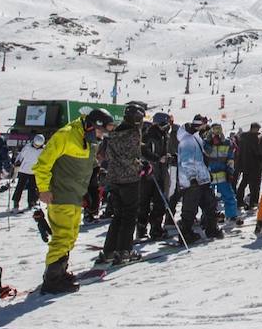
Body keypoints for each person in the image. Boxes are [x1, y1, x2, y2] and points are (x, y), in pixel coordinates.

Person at [34, 108, 115, 294]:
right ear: (91, 126)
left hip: (76, 195)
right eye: (100, 132)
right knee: (62, 236)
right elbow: (43, 163)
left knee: (70, 236)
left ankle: (59, 271)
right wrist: (43, 189)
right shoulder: (66, 135)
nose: (101, 136)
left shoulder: (90, 141)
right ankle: (52, 280)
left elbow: (89, 167)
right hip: (61, 194)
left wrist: (90, 192)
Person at [96, 101, 148, 266]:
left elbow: (108, 155)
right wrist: (142, 166)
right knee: (129, 215)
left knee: (118, 215)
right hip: (129, 179)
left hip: (114, 178)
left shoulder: (115, 132)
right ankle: (124, 250)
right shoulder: (133, 133)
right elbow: (130, 157)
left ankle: (109, 251)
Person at [176, 115, 221, 243]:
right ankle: (185, 233)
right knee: (190, 208)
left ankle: (211, 228)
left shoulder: (196, 137)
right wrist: (192, 177)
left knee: (210, 204)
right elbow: (187, 162)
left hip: (202, 179)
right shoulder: (187, 141)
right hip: (192, 182)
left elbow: (201, 159)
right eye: (204, 124)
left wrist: (206, 173)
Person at [138, 114, 173, 241]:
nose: (167, 126)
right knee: (144, 202)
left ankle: (156, 228)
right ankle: (141, 229)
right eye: (165, 123)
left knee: (159, 203)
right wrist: (157, 159)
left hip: (160, 173)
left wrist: (167, 157)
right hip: (149, 174)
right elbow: (143, 153)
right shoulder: (149, 135)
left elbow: (163, 152)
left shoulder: (165, 136)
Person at [234, 123, 262, 211]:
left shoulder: (243, 138)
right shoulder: (254, 139)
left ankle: (239, 200)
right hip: (254, 164)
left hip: (244, 164)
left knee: (244, 182)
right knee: (255, 185)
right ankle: (253, 202)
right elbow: (257, 151)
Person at [11, 134, 44, 210]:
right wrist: (17, 162)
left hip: (35, 171)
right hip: (24, 170)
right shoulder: (27, 147)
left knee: (33, 187)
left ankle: (31, 202)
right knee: (20, 186)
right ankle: (16, 202)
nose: (36, 147)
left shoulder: (43, 150)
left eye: (38, 145)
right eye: (35, 145)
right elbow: (21, 156)